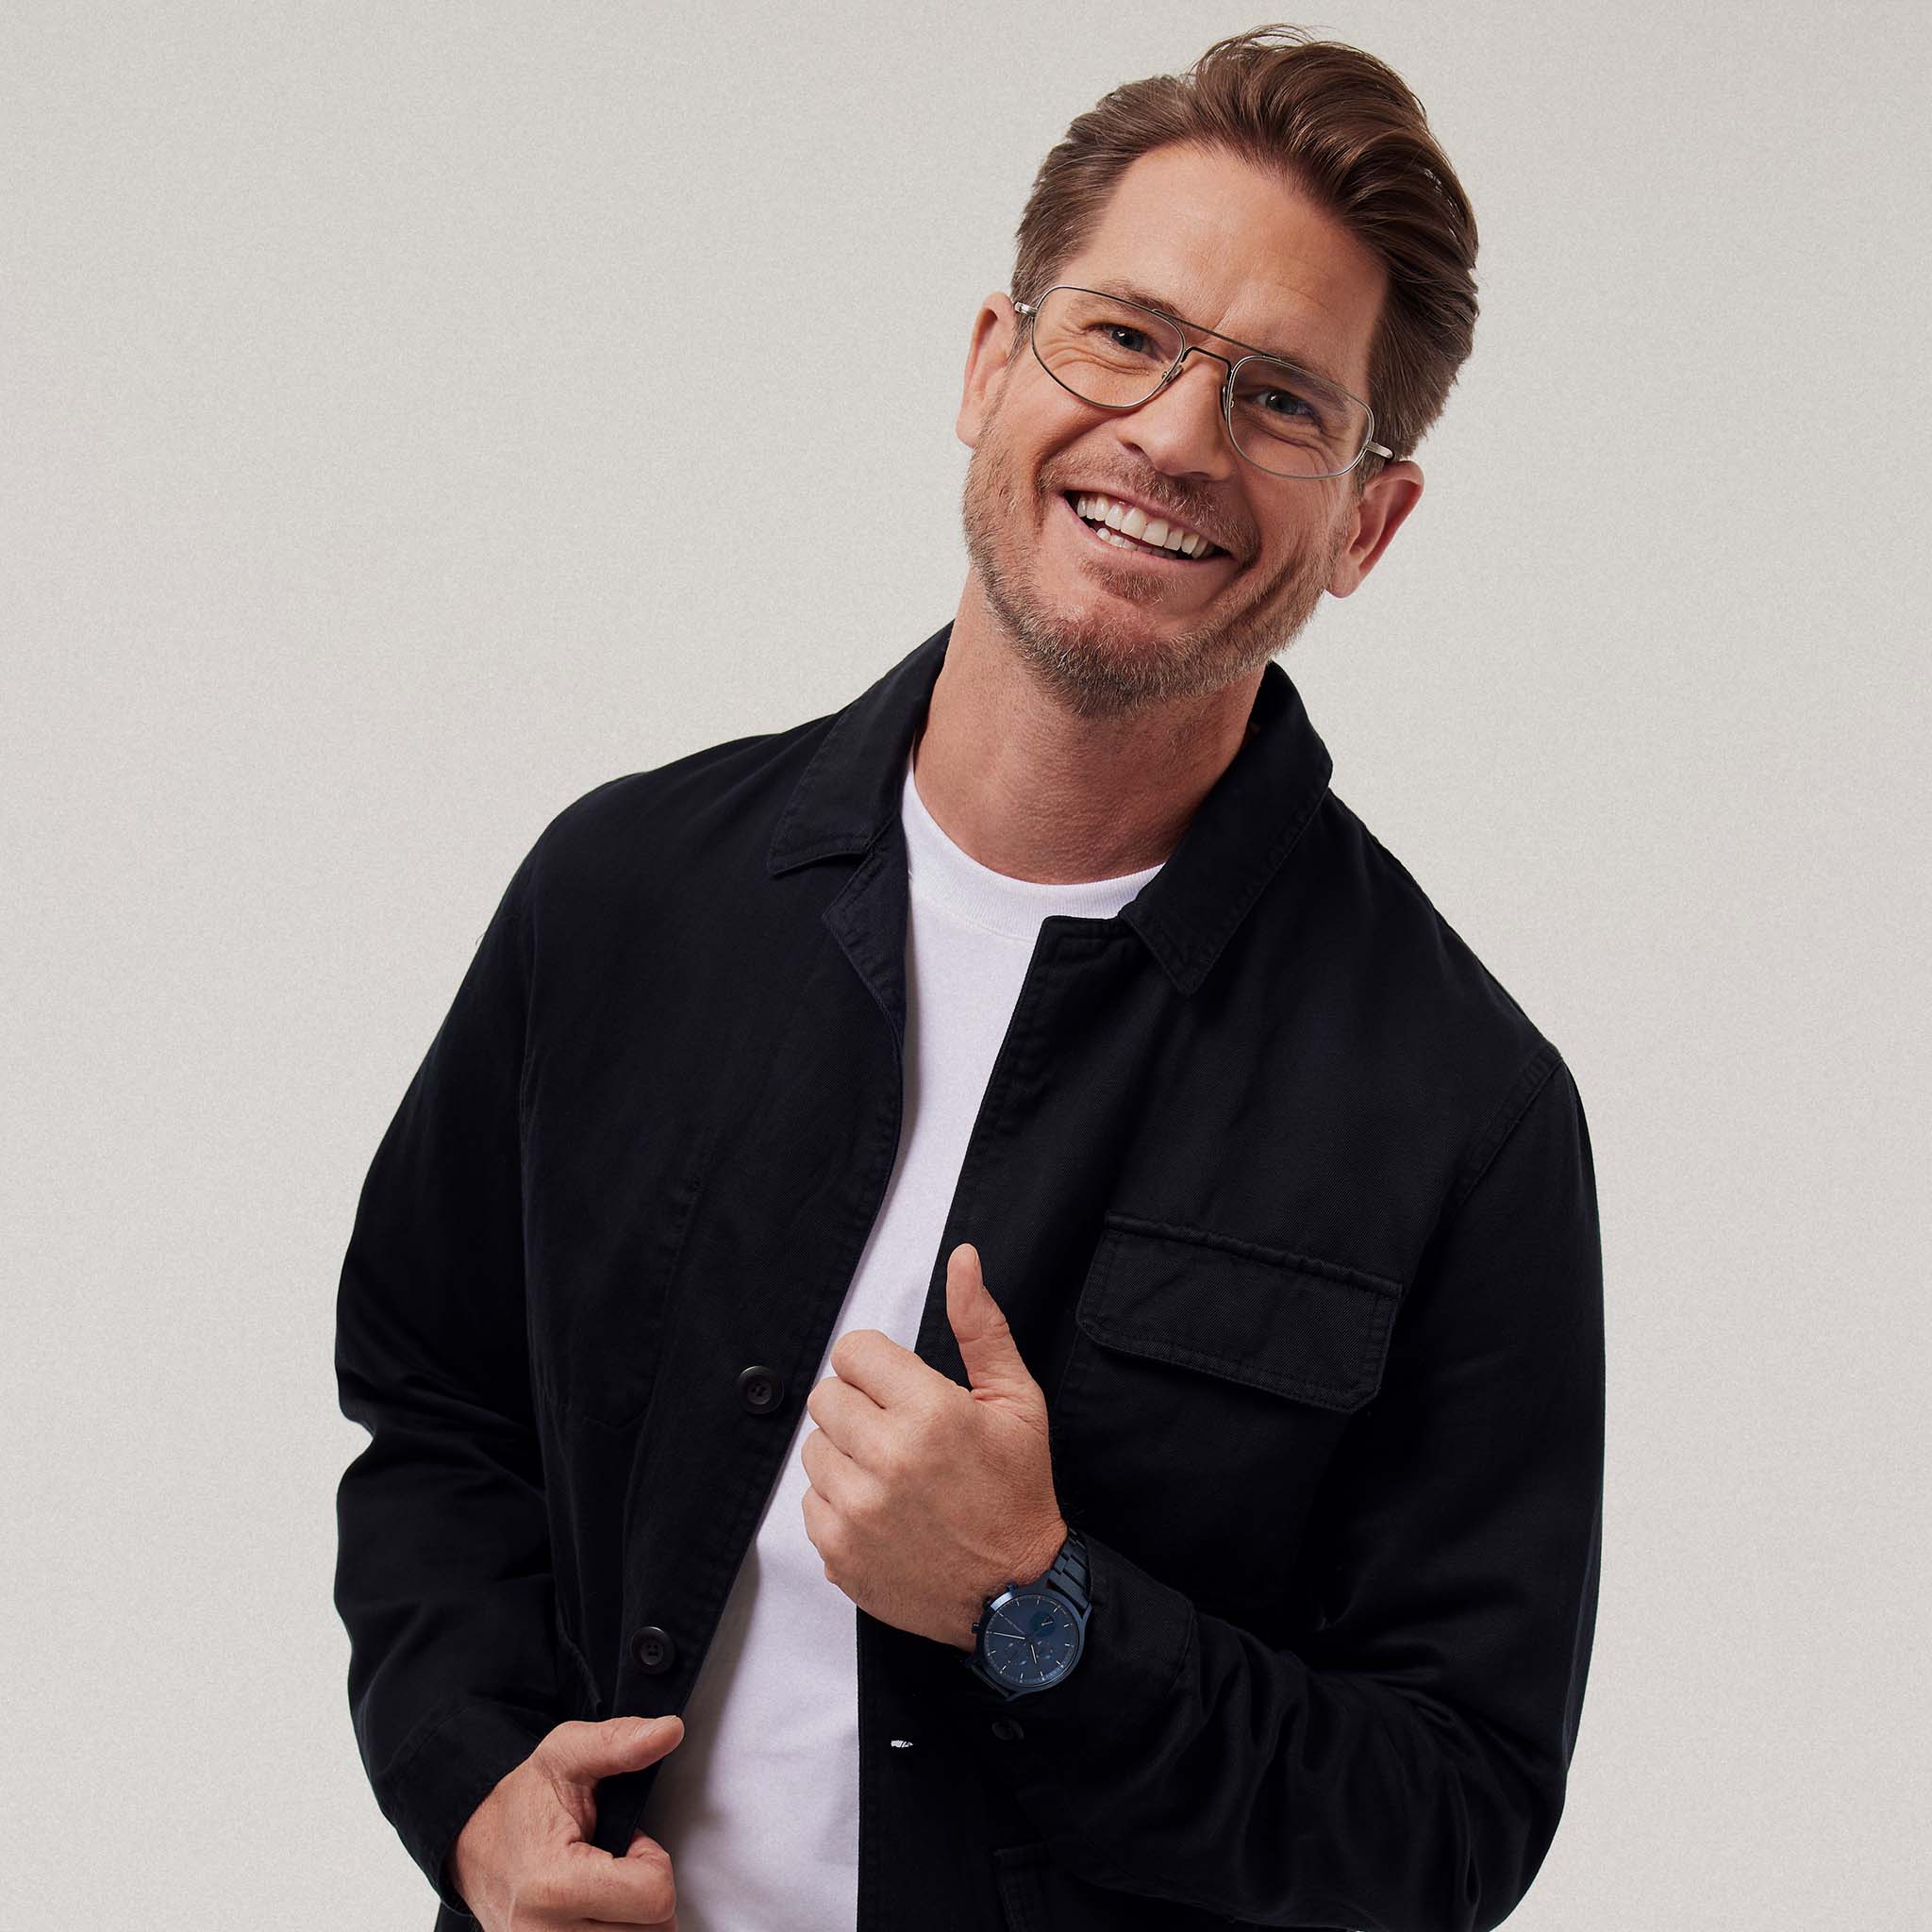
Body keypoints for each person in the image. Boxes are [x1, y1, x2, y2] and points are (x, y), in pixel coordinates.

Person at [334, 24, 1605, 1932]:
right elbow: (439, 1411)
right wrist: (473, 1789)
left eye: (1278, 401)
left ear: (1366, 518)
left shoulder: (1460, 1111)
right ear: (989, 361)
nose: (1174, 435)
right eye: (1123, 335)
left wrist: (1040, 1608)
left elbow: (1449, 1816)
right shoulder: (627, 898)